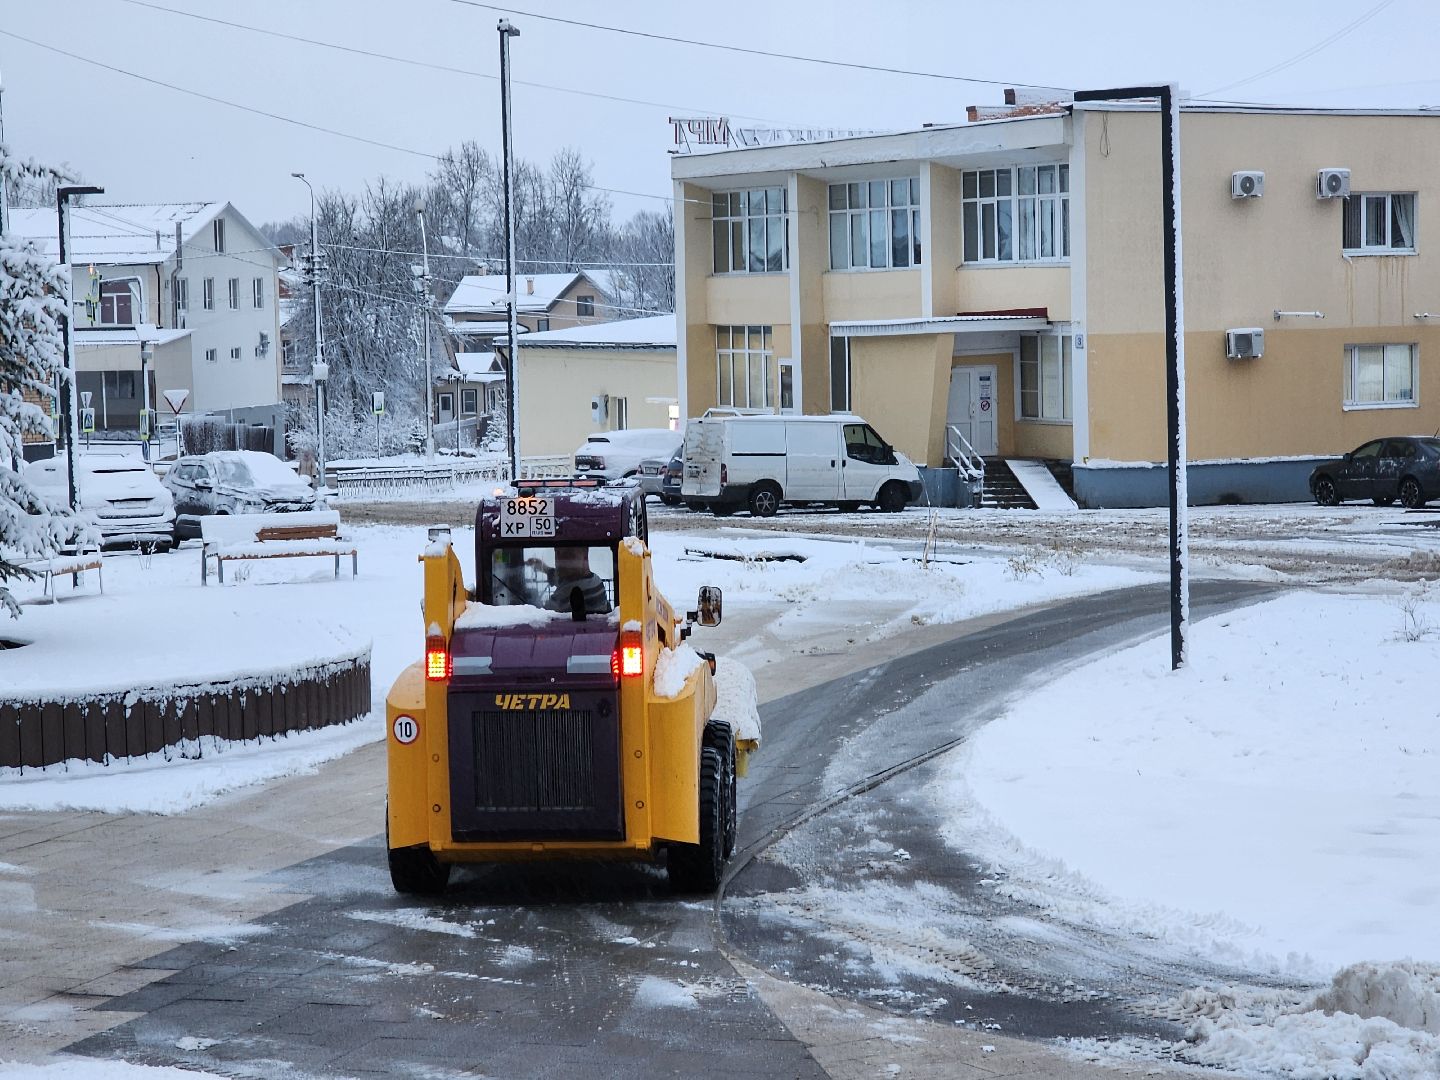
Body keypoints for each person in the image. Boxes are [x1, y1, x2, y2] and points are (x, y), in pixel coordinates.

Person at [545, 546, 610, 617]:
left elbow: (543, 617)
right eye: (557, 553)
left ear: (585, 556)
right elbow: (561, 578)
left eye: (568, 555)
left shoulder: (564, 595)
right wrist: (544, 568)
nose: (559, 561)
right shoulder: (595, 579)